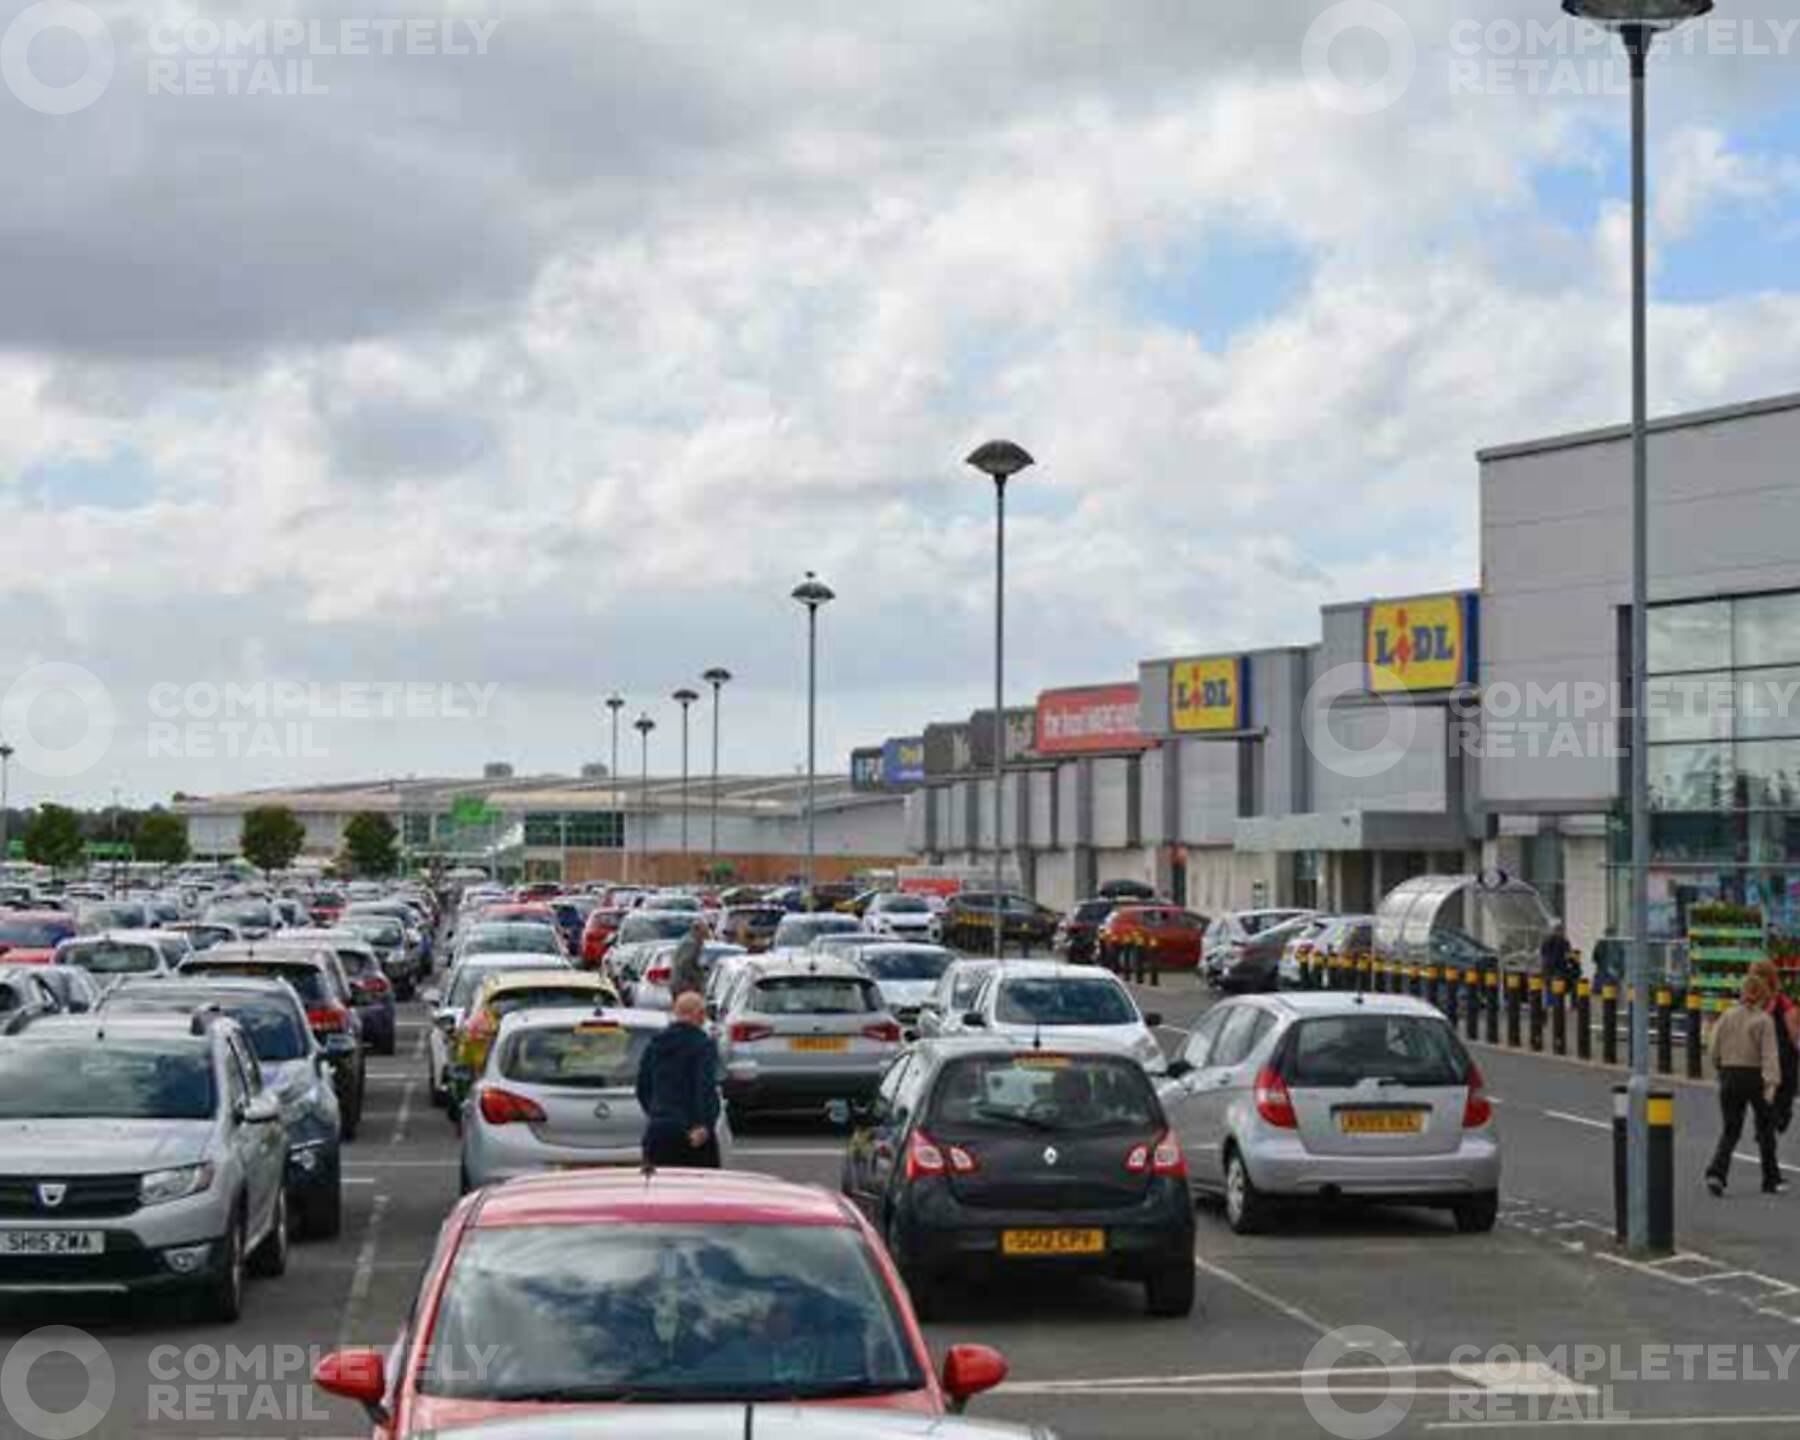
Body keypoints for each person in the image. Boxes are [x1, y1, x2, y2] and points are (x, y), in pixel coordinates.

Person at [1706, 972, 1785, 1197]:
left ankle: (1717, 1173)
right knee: (1765, 1129)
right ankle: (1770, 1179)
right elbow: (1770, 1056)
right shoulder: (1763, 1020)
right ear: (1762, 996)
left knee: (1731, 1129)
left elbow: (1713, 1046)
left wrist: (1719, 1068)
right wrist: (1772, 1084)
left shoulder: (1727, 1016)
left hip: (1729, 1074)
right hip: (1754, 1076)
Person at [636, 991, 722, 1169]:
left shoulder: (655, 1044)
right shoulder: (702, 1045)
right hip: (692, 1133)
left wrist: (656, 1113)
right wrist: (704, 1124)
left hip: (658, 1131)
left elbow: (643, 1087)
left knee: (659, 1191)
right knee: (700, 1190)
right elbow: (704, 1087)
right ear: (699, 1014)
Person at [1750, 959, 1800, 1135]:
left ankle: (1777, 1118)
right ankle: (1766, 1127)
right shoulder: (1754, 1002)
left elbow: (1794, 1034)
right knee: (1768, 1100)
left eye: (1757, 975)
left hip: (1782, 1059)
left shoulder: (1781, 1003)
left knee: (1779, 1099)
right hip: (1767, 1059)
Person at [670, 921, 708, 1002]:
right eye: (704, 931)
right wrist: (697, 977)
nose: (706, 933)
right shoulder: (691, 943)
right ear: (697, 930)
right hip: (685, 984)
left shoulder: (687, 940)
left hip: (680, 982)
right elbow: (685, 963)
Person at [1538, 920, 1575, 994]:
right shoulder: (1564, 941)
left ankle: (1549, 1003)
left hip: (1547, 967)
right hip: (1559, 968)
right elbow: (1568, 955)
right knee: (1559, 988)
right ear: (1560, 931)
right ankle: (1558, 1003)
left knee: (1548, 986)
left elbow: (1542, 953)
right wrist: (1571, 964)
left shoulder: (1545, 941)